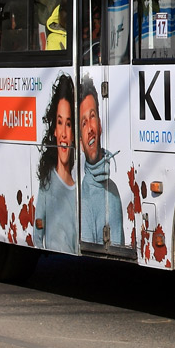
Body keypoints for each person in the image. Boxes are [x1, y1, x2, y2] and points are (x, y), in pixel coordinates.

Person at [77, 73, 124, 245]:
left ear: (100, 124)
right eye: (83, 123)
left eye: (92, 116)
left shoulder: (113, 189)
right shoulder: (84, 199)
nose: (90, 128)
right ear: (80, 142)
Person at [34, 73, 78, 253]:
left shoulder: (80, 188)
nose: (64, 134)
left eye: (69, 124)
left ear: (74, 133)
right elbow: (37, 234)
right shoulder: (47, 182)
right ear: (54, 130)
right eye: (60, 123)